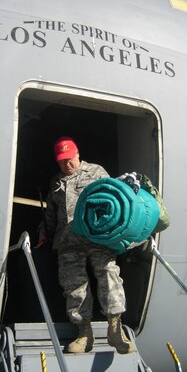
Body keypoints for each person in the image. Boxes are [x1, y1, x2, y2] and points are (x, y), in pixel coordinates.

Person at [38, 136, 135, 354]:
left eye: (70, 159)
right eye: (62, 161)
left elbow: (115, 200)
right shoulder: (56, 182)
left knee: (109, 278)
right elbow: (51, 215)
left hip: (97, 239)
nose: (67, 164)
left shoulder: (96, 172)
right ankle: (84, 334)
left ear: (78, 154)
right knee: (74, 287)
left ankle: (116, 331)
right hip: (68, 243)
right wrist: (44, 233)